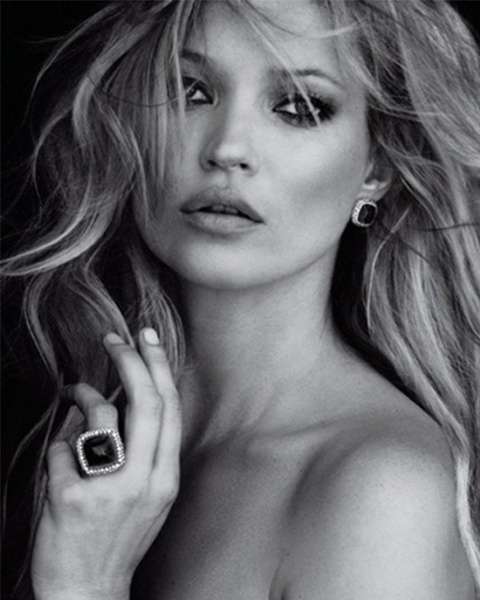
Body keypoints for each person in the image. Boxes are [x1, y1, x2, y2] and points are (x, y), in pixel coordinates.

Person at [2, 0, 480, 598]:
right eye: (189, 91)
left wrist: (86, 584)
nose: (228, 147)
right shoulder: (81, 425)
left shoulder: (382, 492)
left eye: (299, 107)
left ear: (374, 168)